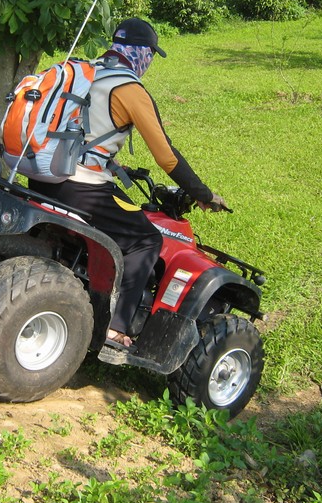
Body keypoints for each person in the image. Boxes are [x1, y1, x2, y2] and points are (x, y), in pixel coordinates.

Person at [29, 18, 228, 351]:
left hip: (39, 175)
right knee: (146, 239)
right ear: (141, 53)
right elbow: (167, 158)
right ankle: (115, 327)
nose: (148, 61)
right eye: (150, 54)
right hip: (79, 186)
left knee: (123, 209)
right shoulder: (131, 90)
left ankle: (90, 287)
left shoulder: (85, 70)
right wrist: (203, 195)